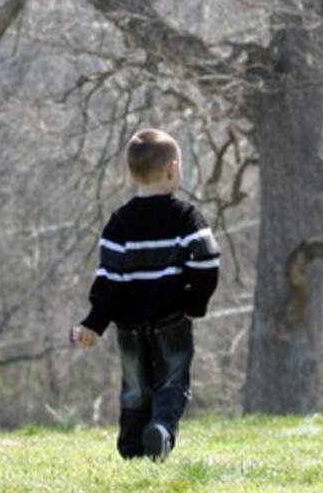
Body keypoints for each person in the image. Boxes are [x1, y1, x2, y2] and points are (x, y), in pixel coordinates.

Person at [71, 128, 220, 461]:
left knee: (135, 388)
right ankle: (162, 429)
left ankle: (131, 449)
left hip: (128, 326)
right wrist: (194, 305)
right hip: (173, 320)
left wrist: (94, 323)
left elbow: (108, 280)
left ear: (130, 172)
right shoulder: (186, 216)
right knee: (172, 382)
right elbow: (209, 262)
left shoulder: (119, 222)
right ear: (172, 169)